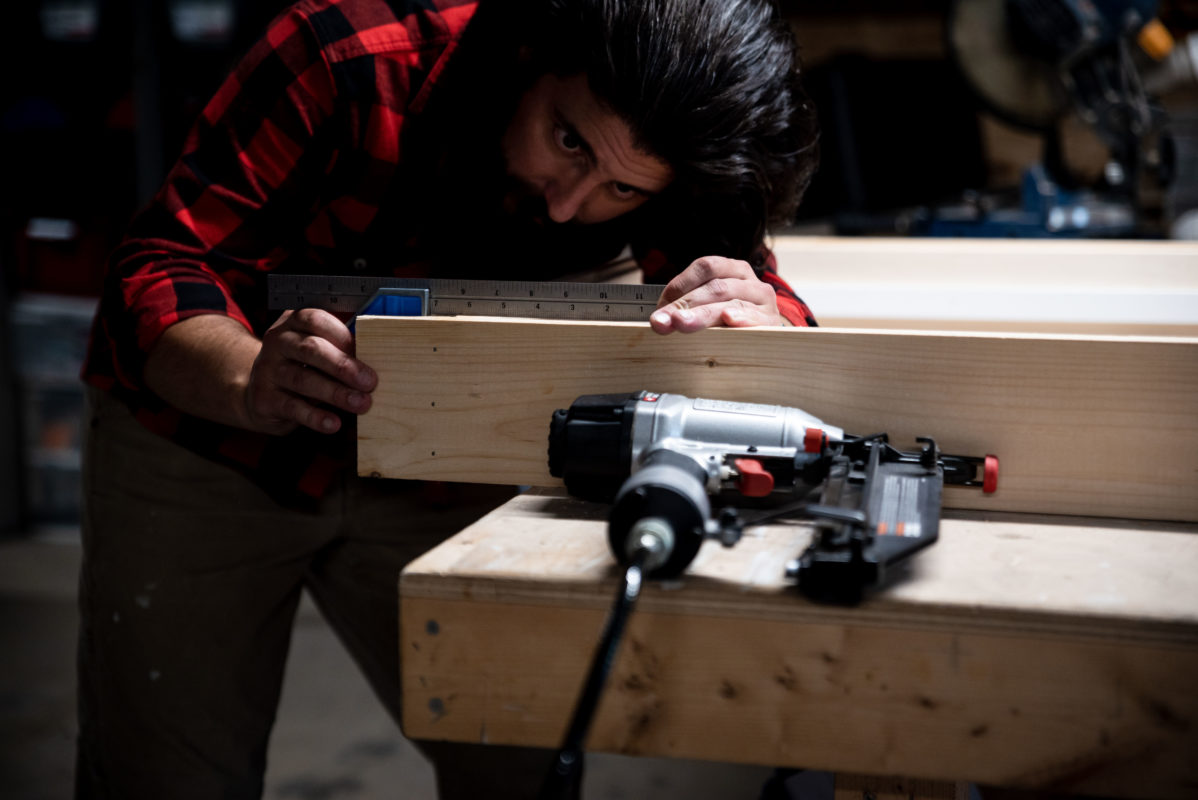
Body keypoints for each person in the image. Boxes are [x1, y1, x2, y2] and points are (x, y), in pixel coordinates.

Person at [75, 0, 820, 797]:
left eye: (620, 191)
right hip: (213, 439)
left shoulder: (678, 152)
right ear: (531, 55)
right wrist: (249, 377)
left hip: (448, 459)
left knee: (521, 766)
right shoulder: (344, 57)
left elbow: (761, 295)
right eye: (566, 140)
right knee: (162, 776)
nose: (568, 203)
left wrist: (762, 318)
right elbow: (158, 267)